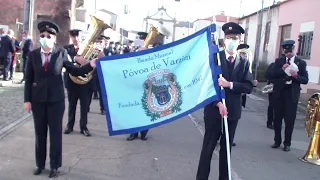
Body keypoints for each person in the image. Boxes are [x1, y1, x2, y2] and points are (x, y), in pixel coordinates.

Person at [24, 21, 97, 178]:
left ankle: (55, 166)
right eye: (42, 36)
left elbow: (75, 70)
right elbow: (28, 79)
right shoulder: (33, 55)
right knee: (40, 134)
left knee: (56, 134)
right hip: (37, 100)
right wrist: (27, 100)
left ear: (54, 38)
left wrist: (90, 65)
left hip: (56, 101)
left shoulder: (61, 53)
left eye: (48, 36)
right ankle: (40, 164)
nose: (45, 38)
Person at [196, 22, 253, 180]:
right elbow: (207, 84)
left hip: (232, 111)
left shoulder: (244, 62)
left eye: (234, 38)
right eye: (228, 38)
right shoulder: (215, 58)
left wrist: (230, 85)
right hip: (214, 109)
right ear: (224, 40)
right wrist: (218, 103)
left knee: (226, 149)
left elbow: (248, 86)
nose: (231, 40)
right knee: (208, 147)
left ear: (240, 40)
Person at [271, 40, 308, 152]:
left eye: (290, 51)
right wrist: (282, 70)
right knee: (277, 119)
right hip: (280, 93)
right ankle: (277, 141)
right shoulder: (279, 61)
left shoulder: (300, 63)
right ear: (283, 51)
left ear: (294, 49)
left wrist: (296, 76)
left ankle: (287, 143)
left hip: (292, 94)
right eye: (286, 51)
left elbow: (305, 80)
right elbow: (271, 74)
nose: (288, 54)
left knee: (289, 120)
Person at [63, 29, 93, 137]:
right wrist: (76, 58)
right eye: (73, 36)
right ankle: (69, 126)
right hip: (72, 82)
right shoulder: (67, 49)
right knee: (72, 105)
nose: (76, 39)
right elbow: (64, 58)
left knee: (84, 106)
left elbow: (95, 62)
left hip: (85, 82)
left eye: (77, 36)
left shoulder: (89, 49)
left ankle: (83, 127)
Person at [126, 31, 150, 141]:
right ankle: (133, 133)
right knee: (133, 109)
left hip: (146, 84)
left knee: (146, 109)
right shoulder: (133, 51)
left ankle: (144, 132)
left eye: (143, 39)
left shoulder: (150, 51)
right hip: (134, 84)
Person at [264, 62, 275, 129]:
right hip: (272, 88)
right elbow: (267, 75)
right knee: (272, 106)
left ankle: (275, 122)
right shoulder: (273, 65)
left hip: (283, 90)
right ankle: (269, 122)